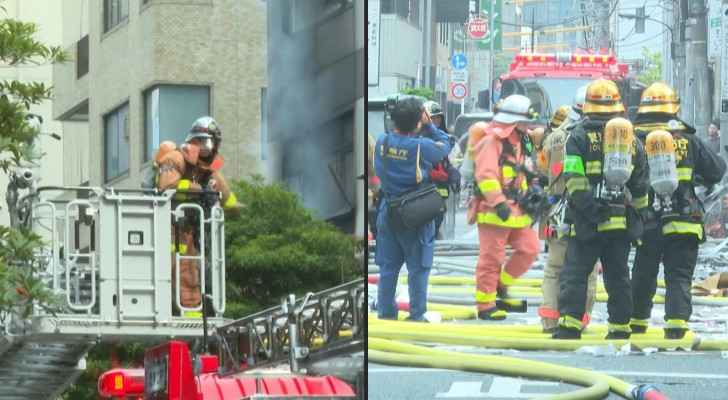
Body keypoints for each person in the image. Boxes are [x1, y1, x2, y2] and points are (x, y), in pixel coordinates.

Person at [553, 79, 649, 339]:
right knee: (618, 276)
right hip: (619, 221)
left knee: (575, 274)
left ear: (587, 106)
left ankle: (570, 326)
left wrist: (590, 209)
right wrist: (639, 215)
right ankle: (619, 328)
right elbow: (640, 181)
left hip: (586, 221)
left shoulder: (579, 135)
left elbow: (573, 178)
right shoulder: (630, 138)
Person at [629, 83, 727, 339]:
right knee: (679, 276)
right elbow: (716, 170)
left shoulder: (633, 138)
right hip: (684, 220)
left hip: (647, 221)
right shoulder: (688, 138)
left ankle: (637, 323)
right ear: (674, 108)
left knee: (643, 273)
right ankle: (676, 327)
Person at [373, 96, 451, 322]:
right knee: (418, 267)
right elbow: (445, 146)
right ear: (418, 121)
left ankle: (386, 314)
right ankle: (417, 314)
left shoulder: (381, 142)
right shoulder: (421, 146)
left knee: (388, 267)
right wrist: (429, 127)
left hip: (388, 211)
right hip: (415, 213)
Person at [157, 116, 240, 317]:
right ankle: (185, 316)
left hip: (188, 230)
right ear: (194, 141)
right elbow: (166, 187)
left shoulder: (208, 172)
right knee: (181, 272)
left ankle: (193, 318)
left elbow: (229, 202)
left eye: (211, 143)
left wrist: (232, 206)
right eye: (204, 142)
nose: (208, 148)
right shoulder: (175, 159)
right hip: (167, 226)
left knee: (191, 274)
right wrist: (200, 190)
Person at [468, 94, 541, 320]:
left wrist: (536, 189)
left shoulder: (520, 142)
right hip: (493, 211)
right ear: (515, 122)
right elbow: (486, 175)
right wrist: (498, 203)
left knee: (530, 249)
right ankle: (485, 305)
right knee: (492, 259)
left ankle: (501, 285)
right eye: (526, 122)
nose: (529, 126)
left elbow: (523, 171)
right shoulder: (492, 142)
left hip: (517, 209)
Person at [535, 102, 599, 333]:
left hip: (556, 213)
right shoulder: (595, 137)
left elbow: (541, 168)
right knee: (588, 271)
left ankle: (550, 320)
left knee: (554, 269)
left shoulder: (554, 137)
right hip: (585, 212)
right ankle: (579, 320)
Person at [422, 100, 460, 239]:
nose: (436, 121)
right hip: (423, 189)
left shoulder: (446, 138)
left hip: (441, 192)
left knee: (437, 220)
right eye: (433, 118)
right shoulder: (419, 138)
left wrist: (452, 172)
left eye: (438, 118)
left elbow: (450, 159)